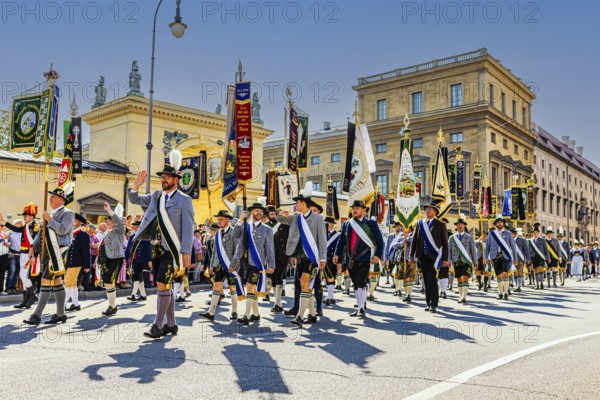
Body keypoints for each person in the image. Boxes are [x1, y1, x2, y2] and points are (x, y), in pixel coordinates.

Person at [128, 152, 195, 339]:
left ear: (175, 178)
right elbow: (135, 200)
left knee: (162, 284)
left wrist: (186, 253)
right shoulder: (157, 196)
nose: (163, 180)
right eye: (162, 177)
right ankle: (171, 325)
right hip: (155, 247)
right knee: (165, 285)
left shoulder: (184, 200)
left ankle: (158, 325)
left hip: (172, 249)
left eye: (166, 177)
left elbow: (188, 228)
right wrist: (136, 185)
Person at [276, 185, 327, 327]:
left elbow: (323, 240)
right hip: (299, 256)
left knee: (305, 281)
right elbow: (281, 220)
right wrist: (281, 213)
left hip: (312, 256)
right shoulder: (296, 217)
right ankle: (312, 313)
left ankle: (299, 316)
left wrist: (323, 258)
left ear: (304, 203)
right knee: (304, 285)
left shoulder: (317, 218)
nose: (296, 205)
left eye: (297, 202)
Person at [23, 186, 75, 325]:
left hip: (59, 250)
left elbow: (63, 230)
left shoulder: (68, 213)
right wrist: (32, 248)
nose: (50, 198)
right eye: (51, 196)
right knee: (57, 281)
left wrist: (49, 219)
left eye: (53, 196)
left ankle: (36, 316)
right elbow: (41, 233)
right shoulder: (50, 213)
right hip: (47, 250)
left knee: (46, 280)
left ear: (60, 199)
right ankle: (61, 314)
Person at [334, 200, 384, 318]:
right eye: (353, 208)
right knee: (355, 283)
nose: (354, 210)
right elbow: (341, 241)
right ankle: (360, 306)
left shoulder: (371, 223)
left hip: (366, 257)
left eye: (357, 208)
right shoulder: (347, 224)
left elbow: (379, 241)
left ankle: (361, 308)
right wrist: (337, 254)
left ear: (364, 211)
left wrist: (378, 255)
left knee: (361, 281)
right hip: (351, 258)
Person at [231, 202, 275, 326]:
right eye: (256, 211)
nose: (259, 213)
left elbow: (270, 248)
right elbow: (235, 235)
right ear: (251, 213)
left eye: (261, 211)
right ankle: (255, 314)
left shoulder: (267, 229)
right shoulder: (246, 226)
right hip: (244, 262)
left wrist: (271, 265)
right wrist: (240, 219)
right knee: (250, 287)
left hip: (257, 262)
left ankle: (246, 315)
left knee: (250, 286)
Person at [199, 210, 241, 321]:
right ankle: (211, 312)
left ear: (228, 219)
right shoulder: (217, 233)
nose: (219, 221)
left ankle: (234, 311)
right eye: (218, 219)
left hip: (230, 265)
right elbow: (214, 251)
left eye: (221, 219)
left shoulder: (234, 232)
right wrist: (212, 265)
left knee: (232, 288)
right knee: (216, 286)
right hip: (219, 265)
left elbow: (238, 250)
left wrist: (235, 264)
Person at [409, 203, 449, 313]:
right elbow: (414, 241)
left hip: (435, 257)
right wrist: (411, 256)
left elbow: (445, 243)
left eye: (430, 209)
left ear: (435, 212)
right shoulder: (420, 224)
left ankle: (434, 303)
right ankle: (428, 302)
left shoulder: (440, 224)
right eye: (427, 209)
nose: (428, 211)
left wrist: (445, 259)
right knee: (425, 279)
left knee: (432, 279)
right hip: (423, 256)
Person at [0, 203, 40, 308]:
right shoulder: (26, 226)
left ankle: (32, 295)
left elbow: (37, 242)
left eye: (26, 216)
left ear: (31, 216)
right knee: (23, 277)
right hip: (22, 253)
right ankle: (25, 300)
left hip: (29, 254)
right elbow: (16, 229)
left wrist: (34, 255)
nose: (24, 217)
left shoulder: (35, 227)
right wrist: (4, 221)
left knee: (23, 276)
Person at [484, 215, 518, 301]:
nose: (500, 223)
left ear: (503, 223)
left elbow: (513, 247)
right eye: (498, 222)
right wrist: (486, 257)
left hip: (505, 256)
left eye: (501, 222)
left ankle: (506, 292)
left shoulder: (508, 234)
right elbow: (487, 246)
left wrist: (515, 259)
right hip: (495, 257)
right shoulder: (491, 234)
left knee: (505, 274)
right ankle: (500, 292)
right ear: (495, 224)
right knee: (498, 275)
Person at [264, 205, 290, 313]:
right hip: (270, 256)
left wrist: (291, 255)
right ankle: (277, 303)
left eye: (275, 213)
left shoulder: (284, 224)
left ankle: (278, 303)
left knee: (279, 277)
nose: (273, 215)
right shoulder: (264, 226)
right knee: (273, 279)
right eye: (271, 214)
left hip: (282, 256)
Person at [64, 213, 91, 311]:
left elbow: (86, 251)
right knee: (72, 283)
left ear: (79, 222)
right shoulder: (71, 233)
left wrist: (87, 265)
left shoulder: (82, 234)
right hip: (69, 262)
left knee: (67, 283)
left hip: (76, 262)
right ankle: (76, 304)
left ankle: (62, 305)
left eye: (74, 221)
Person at [448, 216, 477, 304]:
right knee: (459, 279)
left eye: (461, 224)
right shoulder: (452, 238)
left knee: (465, 278)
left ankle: (463, 297)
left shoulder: (469, 237)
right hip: (456, 260)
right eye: (458, 224)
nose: (460, 226)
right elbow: (449, 250)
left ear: (464, 226)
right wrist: (448, 260)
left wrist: (475, 262)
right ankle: (461, 295)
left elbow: (473, 250)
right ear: (456, 226)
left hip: (466, 261)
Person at [125, 221, 151, 301]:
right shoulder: (132, 236)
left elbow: (148, 249)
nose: (135, 227)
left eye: (136, 226)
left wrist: (149, 260)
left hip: (142, 259)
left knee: (136, 276)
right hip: (134, 259)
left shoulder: (145, 236)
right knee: (139, 277)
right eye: (134, 226)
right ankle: (143, 295)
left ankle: (133, 295)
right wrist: (125, 258)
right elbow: (128, 248)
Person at [323, 216, 341, 306]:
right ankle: (332, 297)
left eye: (327, 224)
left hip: (333, 260)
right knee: (326, 280)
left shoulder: (338, 236)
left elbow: (341, 250)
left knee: (331, 279)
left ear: (331, 225)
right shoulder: (323, 234)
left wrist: (340, 262)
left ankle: (328, 298)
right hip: (323, 259)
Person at [528, 224, 550, 290]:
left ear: (538, 233)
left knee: (541, 269)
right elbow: (528, 250)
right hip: (533, 257)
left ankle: (541, 284)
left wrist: (548, 257)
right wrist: (528, 258)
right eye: (534, 232)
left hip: (541, 257)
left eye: (536, 232)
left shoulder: (542, 240)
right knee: (536, 270)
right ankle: (537, 284)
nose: (535, 233)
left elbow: (546, 249)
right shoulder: (530, 241)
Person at [511, 228, 531, 293]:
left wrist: (528, 258)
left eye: (512, 234)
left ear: (515, 234)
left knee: (519, 272)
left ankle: (518, 286)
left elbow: (526, 249)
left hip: (520, 258)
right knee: (514, 273)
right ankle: (517, 285)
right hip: (512, 259)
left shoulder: (522, 240)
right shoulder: (509, 240)